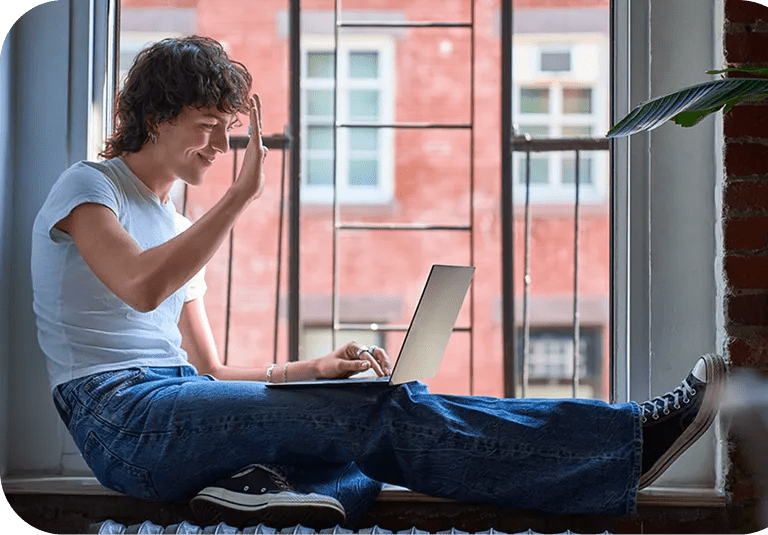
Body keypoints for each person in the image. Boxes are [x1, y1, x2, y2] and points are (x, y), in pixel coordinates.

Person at [31, 35, 727, 529]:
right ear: (154, 118)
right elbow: (140, 287)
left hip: (173, 398)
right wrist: (239, 199)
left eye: (228, 130)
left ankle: (264, 493)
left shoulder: (172, 216)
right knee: (376, 417)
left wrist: (316, 369)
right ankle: (624, 445)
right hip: (118, 420)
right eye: (208, 128)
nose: (221, 147)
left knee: (365, 402)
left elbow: (211, 368)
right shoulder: (90, 187)